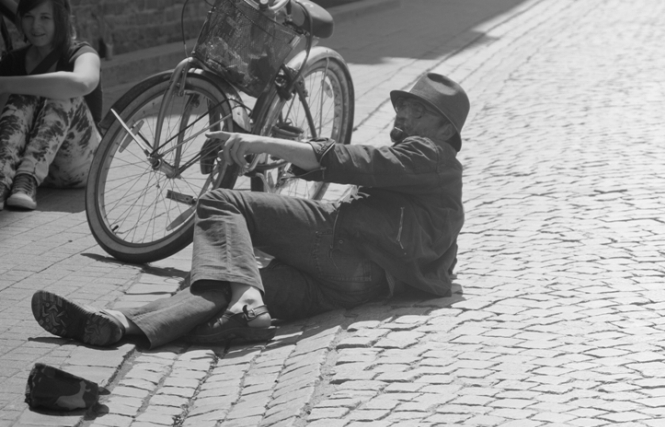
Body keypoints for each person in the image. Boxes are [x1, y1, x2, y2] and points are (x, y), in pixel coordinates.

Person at [31, 72, 470, 349]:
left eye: (417, 111)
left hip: (344, 247)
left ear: (444, 128)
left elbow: (351, 160)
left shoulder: (432, 154)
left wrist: (259, 141)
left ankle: (246, 302)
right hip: (359, 287)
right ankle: (120, 324)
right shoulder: (435, 174)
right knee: (226, 288)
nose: (403, 116)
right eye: (403, 107)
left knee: (221, 202)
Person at [0, 0, 102, 211]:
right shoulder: (12, 62)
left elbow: (83, 82)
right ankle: (3, 180)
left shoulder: (82, 53)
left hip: (79, 165)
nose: (35, 25)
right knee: (22, 96)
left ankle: (27, 178)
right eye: (28, 17)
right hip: (26, 169)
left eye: (45, 18)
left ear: (60, 20)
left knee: (65, 91)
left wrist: (5, 83)